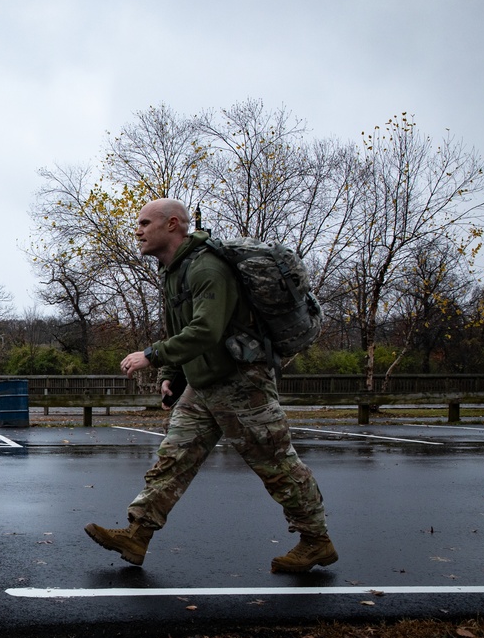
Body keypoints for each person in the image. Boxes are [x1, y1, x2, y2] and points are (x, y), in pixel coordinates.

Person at [84, 198, 337, 573]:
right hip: (203, 384)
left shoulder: (206, 267)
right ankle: (137, 535)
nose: (136, 230)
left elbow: (207, 329)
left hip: (241, 382)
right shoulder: (174, 270)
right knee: (173, 459)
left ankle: (316, 540)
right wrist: (173, 374)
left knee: (276, 465)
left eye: (143, 223)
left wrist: (151, 355)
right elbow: (181, 329)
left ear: (172, 225)